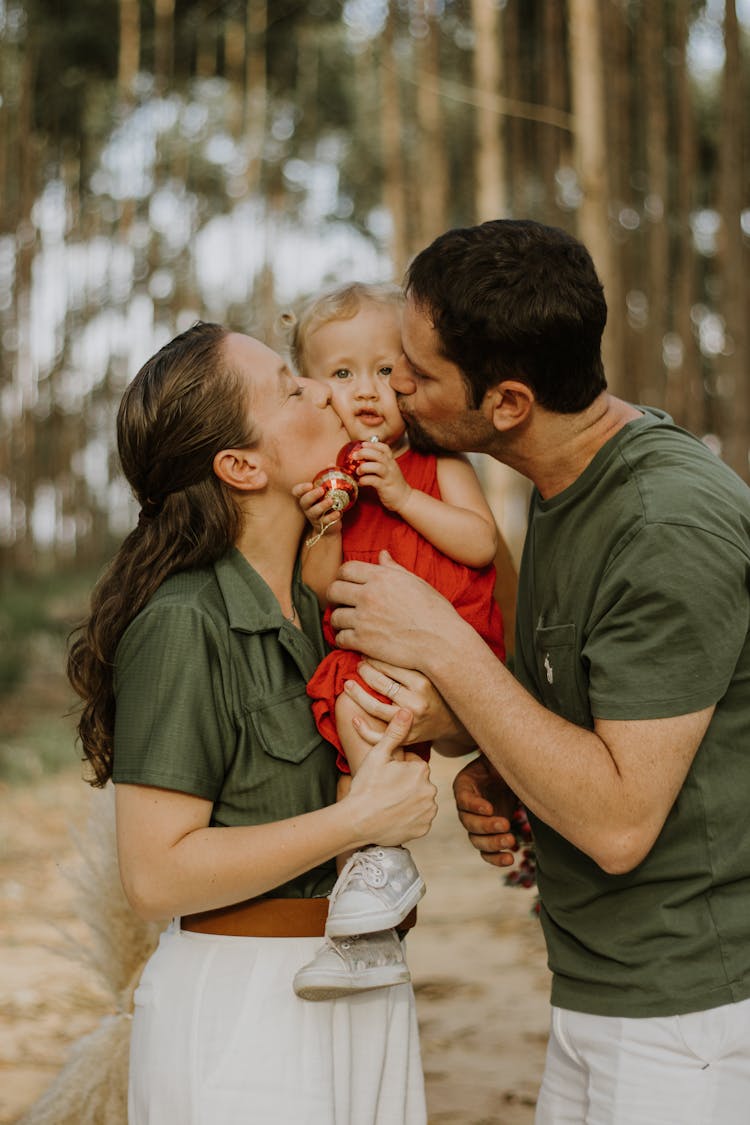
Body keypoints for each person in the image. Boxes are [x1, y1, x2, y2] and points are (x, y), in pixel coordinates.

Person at [324, 220, 750, 1124]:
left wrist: (444, 643)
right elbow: (578, 717)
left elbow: (621, 820)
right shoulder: (561, 486)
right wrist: (497, 762)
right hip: (599, 986)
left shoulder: (663, 524)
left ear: (507, 402)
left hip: (691, 1018)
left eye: (418, 372)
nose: (393, 383)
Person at [66, 321, 438, 1124]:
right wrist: (360, 819)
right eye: (293, 388)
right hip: (245, 1011)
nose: (328, 394)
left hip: (362, 992)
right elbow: (155, 874)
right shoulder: (182, 621)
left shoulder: (320, 605)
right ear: (241, 466)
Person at [281, 282, 506, 1000]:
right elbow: (324, 587)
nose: (367, 389)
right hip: (371, 656)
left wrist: (404, 498)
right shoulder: (331, 484)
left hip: (453, 644)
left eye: (385, 369)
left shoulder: (437, 465)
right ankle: (368, 903)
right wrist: (322, 525)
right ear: (316, 391)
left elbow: (479, 542)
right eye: (342, 374)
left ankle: (375, 878)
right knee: (352, 719)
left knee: (366, 717)